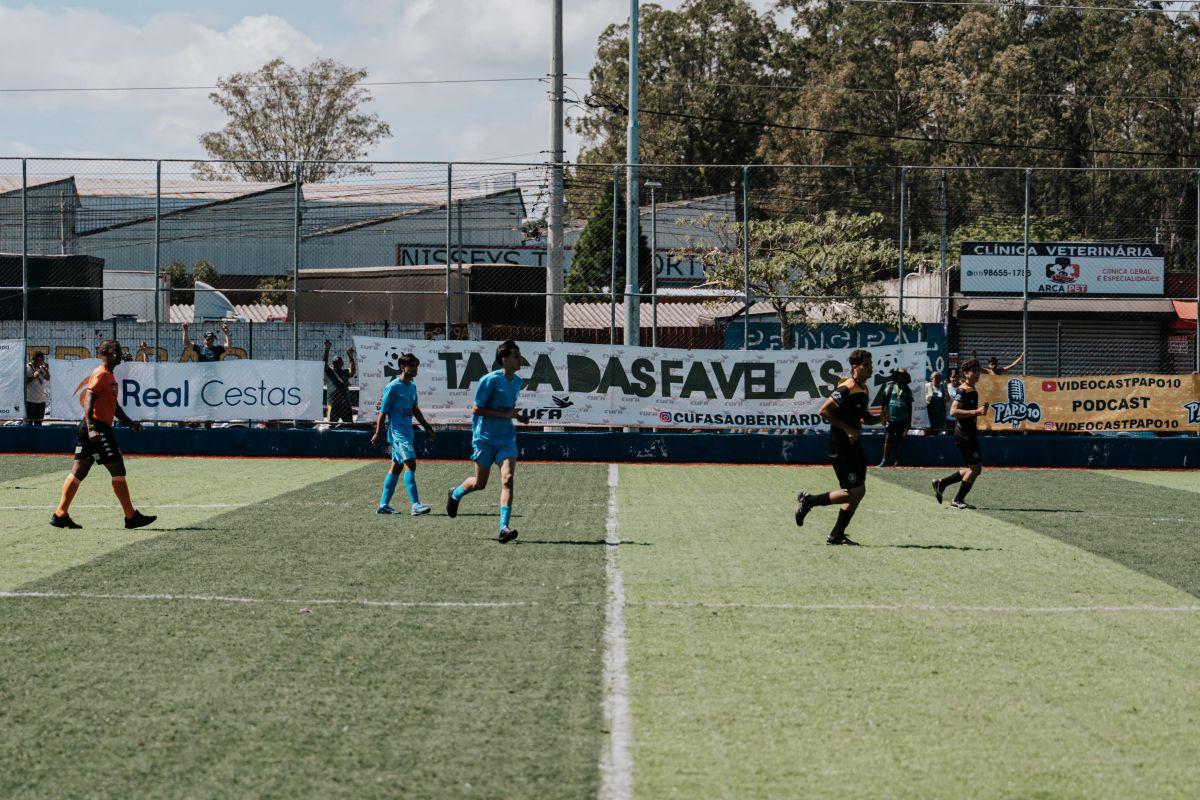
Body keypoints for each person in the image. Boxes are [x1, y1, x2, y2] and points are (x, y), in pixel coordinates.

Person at [50, 339, 156, 530]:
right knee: (118, 469)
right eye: (116, 351)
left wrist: (130, 423)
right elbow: (88, 401)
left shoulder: (109, 376)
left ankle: (60, 514)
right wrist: (91, 428)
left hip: (93, 427)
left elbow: (114, 407)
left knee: (79, 472)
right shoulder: (101, 375)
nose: (120, 354)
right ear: (105, 354)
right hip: (97, 428)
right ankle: (131, 516)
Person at [794, 349, 886, 545]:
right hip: (841, 446)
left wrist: (880, 418)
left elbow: (865, 417)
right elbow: (824, 411)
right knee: (855, 491)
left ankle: (836, 535)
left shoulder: (863, 389)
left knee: (858, 492)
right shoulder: (847, 387)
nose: (870, 368)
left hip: (853, 445)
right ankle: (809, 501)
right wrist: (847, 429)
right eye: (866, 365)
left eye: (871, 364)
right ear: (855, 367)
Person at [446, 340, 525, 543]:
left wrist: (516, 416)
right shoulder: (489, 380)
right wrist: (505, 414)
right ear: (504, 359)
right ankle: (454, 494)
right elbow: (476, 409)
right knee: (480, 484)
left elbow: (507, 410)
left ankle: (503, 528)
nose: (519, 359)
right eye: (516, 355)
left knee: (508, 480)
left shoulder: (517, 382)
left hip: (506, 439)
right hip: (484, 439)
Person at [371, 353, 435, 516]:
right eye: (412, 366)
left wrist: (427, 426)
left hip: (407, 433)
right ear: (402, 367)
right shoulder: (392, 387)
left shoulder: (412, 387)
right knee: (411, 464)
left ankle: (383, 505)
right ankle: (415, 505)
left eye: (416, 366)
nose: (415, 369)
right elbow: (383, 412)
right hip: (398, 435)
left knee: (396, 467)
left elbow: (415, 409)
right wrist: (378, 433)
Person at [932, 357, 989, 510]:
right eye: (974, 371)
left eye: (978, 371)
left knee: (972, 469)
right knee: (976, 469)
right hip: (965, 436)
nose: (977, 374)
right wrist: (976, 412)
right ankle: (957, 500)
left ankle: (941, 483)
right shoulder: (963, 390)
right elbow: (953, 411)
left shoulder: (971, 389)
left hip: (968, 434)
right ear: (965, 373)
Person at [878, 368, 912, 467]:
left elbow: (909, 407)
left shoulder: (907, 389)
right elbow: (884, 403)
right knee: (888, 439)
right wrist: (883, 417)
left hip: (902, 419)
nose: (901, 377)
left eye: (903, 375)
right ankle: (884, 460)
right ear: (896, 376)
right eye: (899, 375)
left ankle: (897, 460)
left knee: (899, 440)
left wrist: (909, 423)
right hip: (890, 418)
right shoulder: (889, 386)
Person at [323, 340, 357, 425]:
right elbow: (323, 364)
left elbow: (352, 371)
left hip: (345, 404)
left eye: (338, 363)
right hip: (333, 404)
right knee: (331, 425)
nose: (336, 365)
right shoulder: (330, 372)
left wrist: (351, 357)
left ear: (342, 364)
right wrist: (327, 349)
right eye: (334, 363)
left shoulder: (345, 372)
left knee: (349, 425)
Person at [24, 351, 49, 426]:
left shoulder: (41, 367)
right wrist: (35, 375)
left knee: (39, 423)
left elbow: (48, 378)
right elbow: (25, 381)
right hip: (30, 400)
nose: (44, 361)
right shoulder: (27, 367)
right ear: (38, 359)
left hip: (41, 401)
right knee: (29, 422)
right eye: (43, 359)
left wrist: (46, 370)